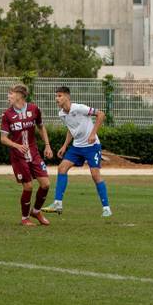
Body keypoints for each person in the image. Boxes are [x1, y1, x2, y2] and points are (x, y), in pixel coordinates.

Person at [43, 86, 112, 217]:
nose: (56, 99)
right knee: (62, 168)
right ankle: (58, 203)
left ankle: (106, 208)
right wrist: (64, 146)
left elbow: (101, 114)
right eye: (56, 96)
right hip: (77, 147)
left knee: (95, 175)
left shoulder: (79, 108)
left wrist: (93, 134)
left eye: (59, 96)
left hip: (92, 146)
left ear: (67, 97)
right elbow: (71, 129)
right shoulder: (62, 114)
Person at [0, 84, 52, 226]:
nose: (8, 96)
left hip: (34, 153)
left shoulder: (34, 109)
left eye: (11, 93)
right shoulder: (7, 115)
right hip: (18, 156)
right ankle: (25, 218)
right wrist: (17, 146)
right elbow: (3, 139)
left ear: (20, 95)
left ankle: (36, 211)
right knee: (28, 186)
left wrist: (47, 145)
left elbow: (41, 127)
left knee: (46, 184)